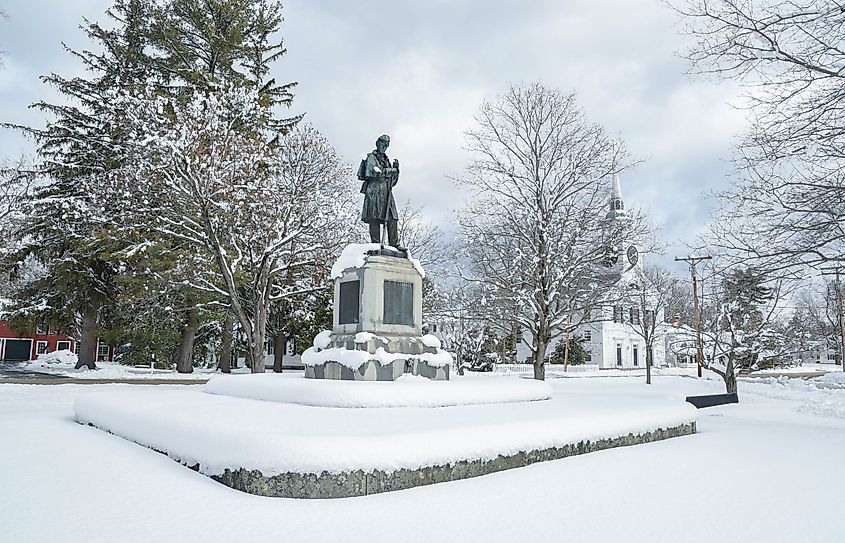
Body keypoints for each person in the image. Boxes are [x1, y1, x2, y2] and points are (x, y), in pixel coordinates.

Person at [358, 134, 402, 248]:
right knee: (374, 217)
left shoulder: (386, 160)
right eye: (383, 144)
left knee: (393, 217)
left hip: (387, 191)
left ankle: (394, 244)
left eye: (387, 145)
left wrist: (396, 170)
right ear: (377, 143)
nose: (384, 147)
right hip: (375, 191)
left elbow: (393, 182)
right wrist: (391, 170)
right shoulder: (371, 157)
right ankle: (375, 244)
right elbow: (374, 172)